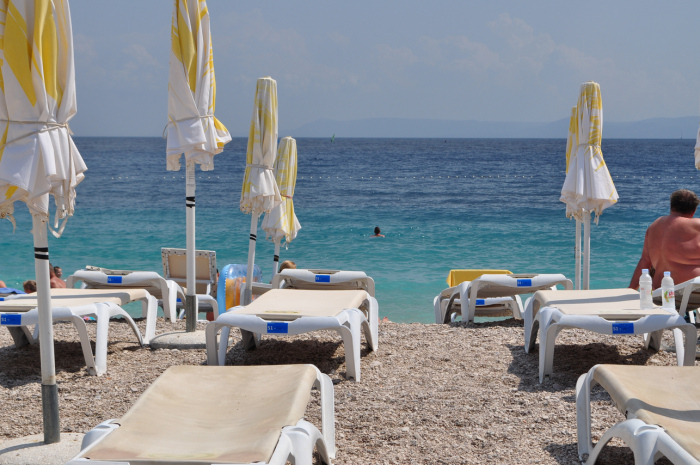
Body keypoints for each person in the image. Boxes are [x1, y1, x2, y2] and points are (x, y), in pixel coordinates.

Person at [629, 189, 700, 290]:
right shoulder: (697, 226)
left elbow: (645, 261)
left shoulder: (654, 226)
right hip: (694, 295)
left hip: (662, 295)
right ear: (693, 211)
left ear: (671, 207)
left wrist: (631, 289)